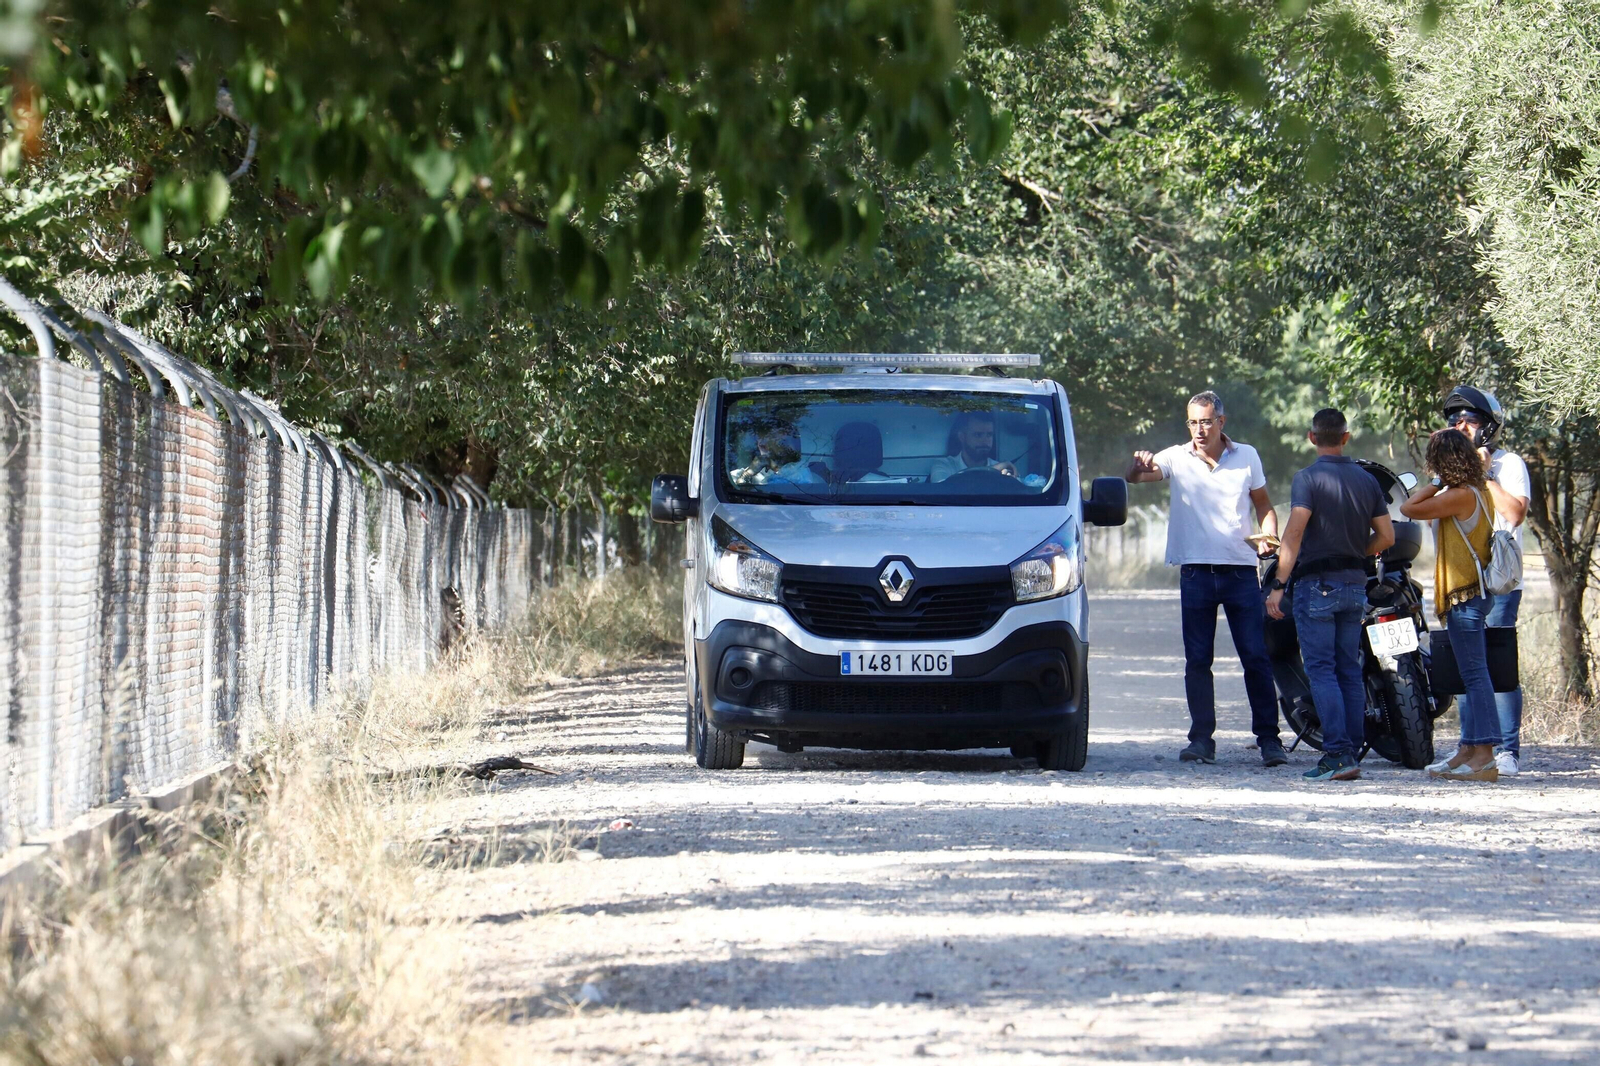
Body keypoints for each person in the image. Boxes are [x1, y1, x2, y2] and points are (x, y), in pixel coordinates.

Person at [1126, 390, 1285, 766]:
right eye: (1193, 422)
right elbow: (1136, 478)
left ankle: (1270, 741)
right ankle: (1201, 740)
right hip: (1196, 571)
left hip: (1241, 570)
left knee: (1255, 657)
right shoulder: (1176, 457)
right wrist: (1137, 465)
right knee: (1198, 660)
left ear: (1221, 422)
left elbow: (1264, 505)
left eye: (1206, 421)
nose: (1199, 429)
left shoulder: (1246, 456)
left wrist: (1269, 539)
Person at [1265, 409, 1395, 782]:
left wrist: (1278, 586)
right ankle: (1351, 750)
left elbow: (1293, 533)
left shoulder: (1307, 479)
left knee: (1321, 670)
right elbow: (1386, 537)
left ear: (1311, 437)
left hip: (1316, 585)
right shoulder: (1367, 480)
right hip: (1355, 584)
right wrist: (1358, 553)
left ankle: (1336, 754)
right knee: (1347, 670)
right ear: (1345, 437)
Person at [1399, 427, 1502, 782]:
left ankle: (1485, 756)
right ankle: (1468, 749)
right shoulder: (1479, 490)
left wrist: (1437, 480)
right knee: (1469, 675)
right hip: (1475, 594)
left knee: (1475, 676)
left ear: (1443, 462)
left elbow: (1409, 507)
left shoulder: (1458, 495)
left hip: (1466, 595)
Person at [1442, 386, 1530, 776]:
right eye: (1454, 420)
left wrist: (1483, 474)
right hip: (1462, 581)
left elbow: (1515, 513)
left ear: (1488, 427)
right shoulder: (1448, 467)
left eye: (1469, 420)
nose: (1460, 426)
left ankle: (1506, 750)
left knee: (1498, 664)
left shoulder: (1508, 464)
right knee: (1467, 667)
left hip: (1497, 582)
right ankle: (1470, 746)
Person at [930, 412, 1017, 481]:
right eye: (978, 435)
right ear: (962, 437)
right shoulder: (944, 465)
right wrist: (994, 470)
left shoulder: (1002, 470)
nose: (985, 440)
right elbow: (945, 489)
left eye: (989, 435)